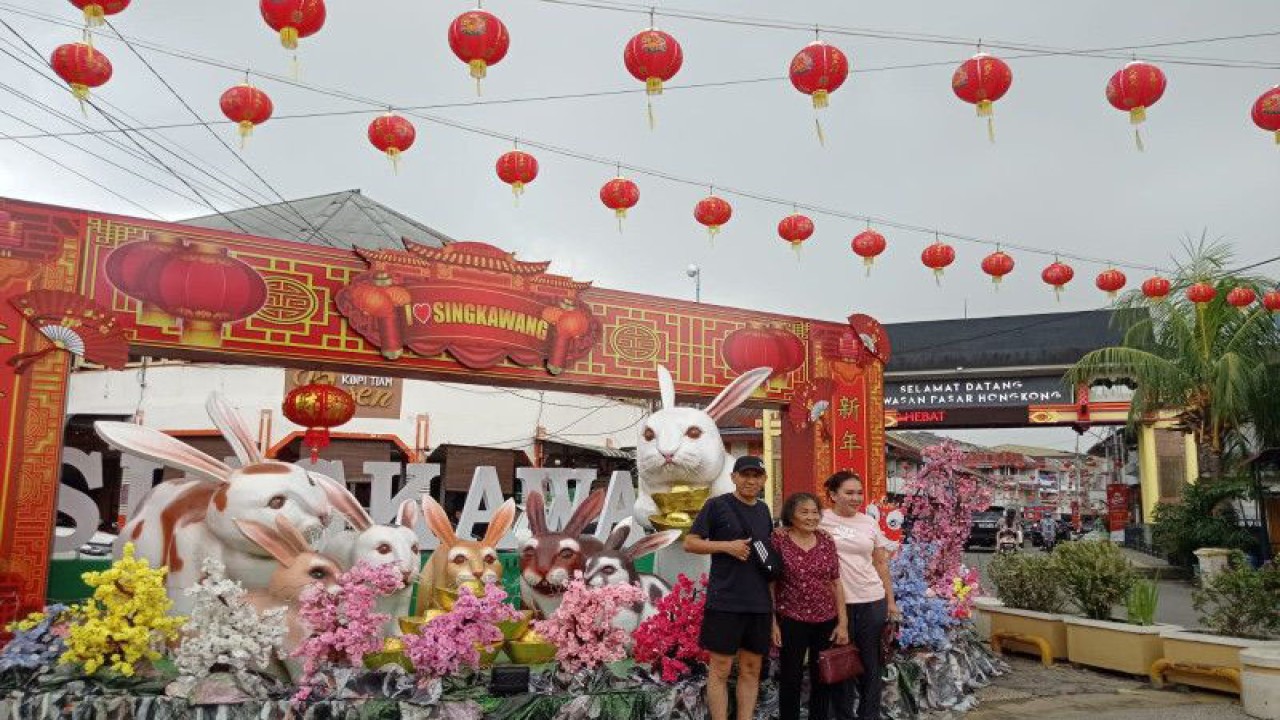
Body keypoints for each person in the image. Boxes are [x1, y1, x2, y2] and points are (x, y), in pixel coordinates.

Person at [684, 456, 775, 720]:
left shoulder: (764, 510)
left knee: (751, 668)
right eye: (745, 475)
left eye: (756, 476)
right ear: (733, 477)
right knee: (720, 669)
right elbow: (690, 543)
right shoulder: (716, 505)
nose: (751, 480)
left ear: (764, 480)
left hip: (758, 602)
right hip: (726, 600)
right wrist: (726, 546)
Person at [820, 471, 899, 720]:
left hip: (871, 600)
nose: (856, 498)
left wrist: (891, 602)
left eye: (859, 493)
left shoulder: (868, 522)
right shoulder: (820, 520)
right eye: (849, 493)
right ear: (833, 495)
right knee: (841, 664)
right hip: (836, 605)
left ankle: (869, 715)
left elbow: (881, 563)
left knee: (870, 666)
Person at [772, 492, 849, 720]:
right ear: (791, 516)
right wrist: (772, 622)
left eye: (815, 512)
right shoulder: (778, 540)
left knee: (822, 677)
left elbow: (836, 582)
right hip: (791, 619)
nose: (811, 517)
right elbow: (770, 584)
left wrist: (842, 623)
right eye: (804, 512)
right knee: (791, 678)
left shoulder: (826, 540)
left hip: (825, 618)